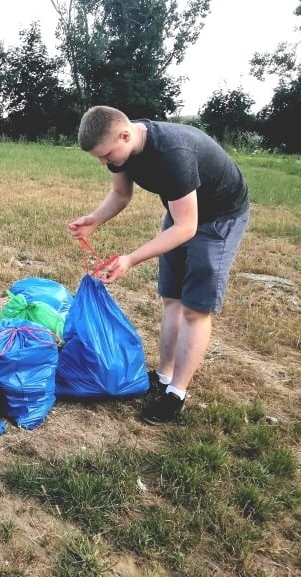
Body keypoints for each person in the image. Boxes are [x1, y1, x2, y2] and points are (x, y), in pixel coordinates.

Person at [68, 105, 250, 424]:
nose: (104, 162)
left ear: (125, 135)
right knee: (172, 298)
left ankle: (176, 394)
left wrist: (131, 259)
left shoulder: (172, 153)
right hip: (183, 212)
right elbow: (121, 194)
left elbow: (187, 228)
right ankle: (163, 376)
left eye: (107, 154)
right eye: (99, 157)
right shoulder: (122, 147)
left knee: (195, 307)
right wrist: (94, 220)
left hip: (219, 216)